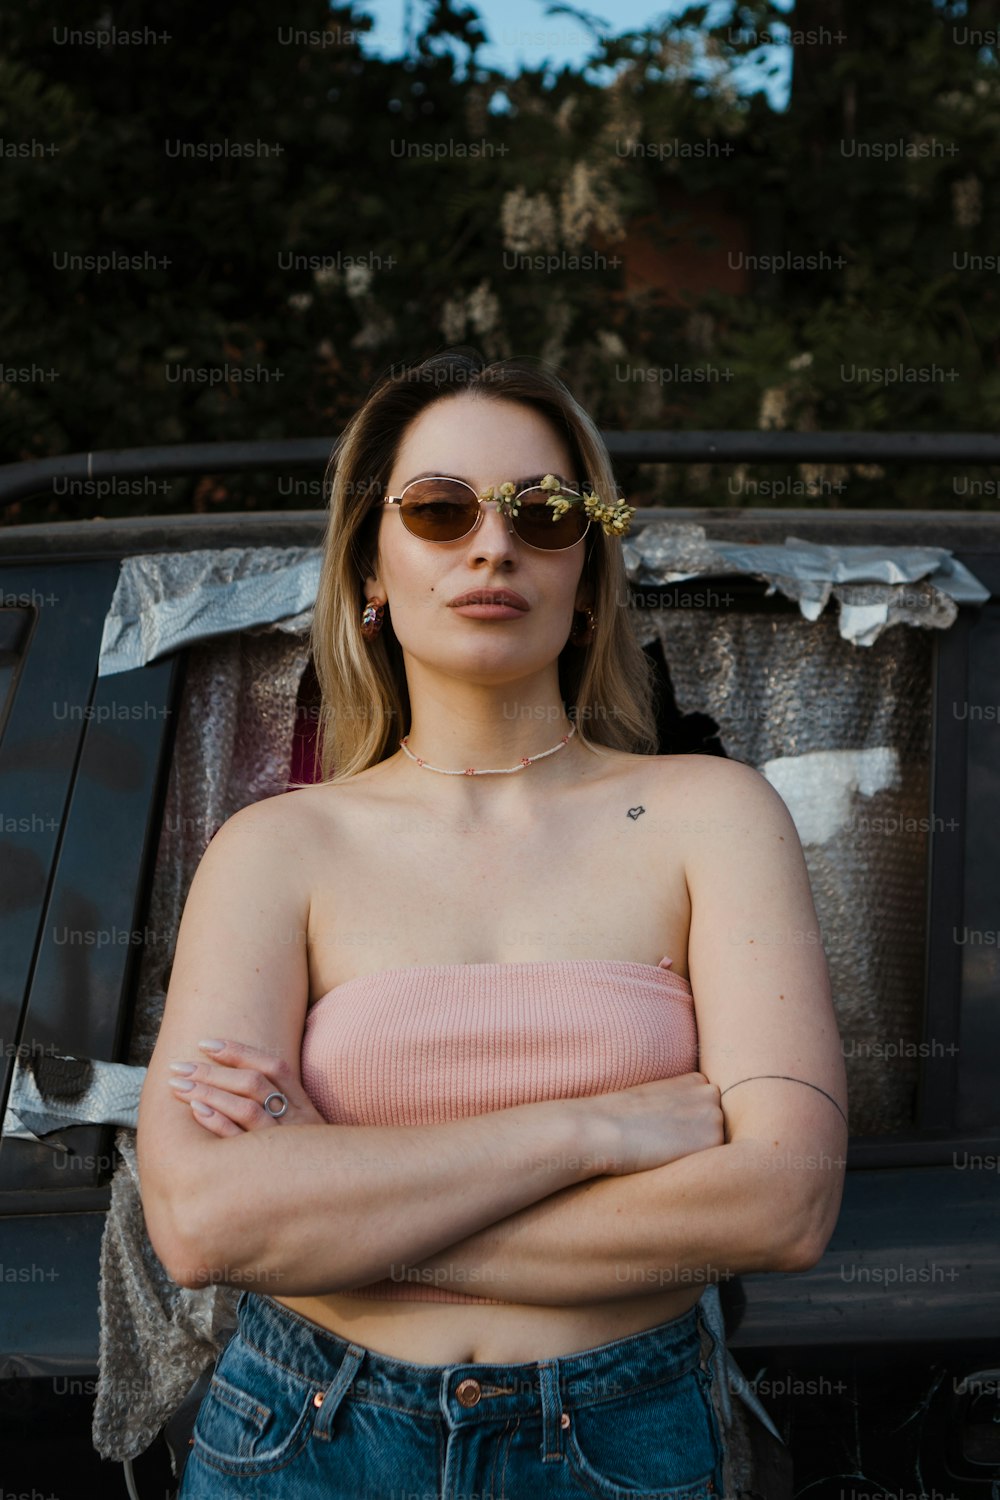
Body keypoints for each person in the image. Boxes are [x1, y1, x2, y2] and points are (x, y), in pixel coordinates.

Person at [137, 346, 848, 1499]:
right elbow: (204, 1225)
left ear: (587, 570)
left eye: (544, 512)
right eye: (437, 508)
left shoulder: (710, 816)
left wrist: (335, 1196)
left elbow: (785, 1199)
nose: (492, 543)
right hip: (303, 1438)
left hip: (617, 1441)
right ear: (370, 564)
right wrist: (590, 1133)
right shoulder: (275, 850)